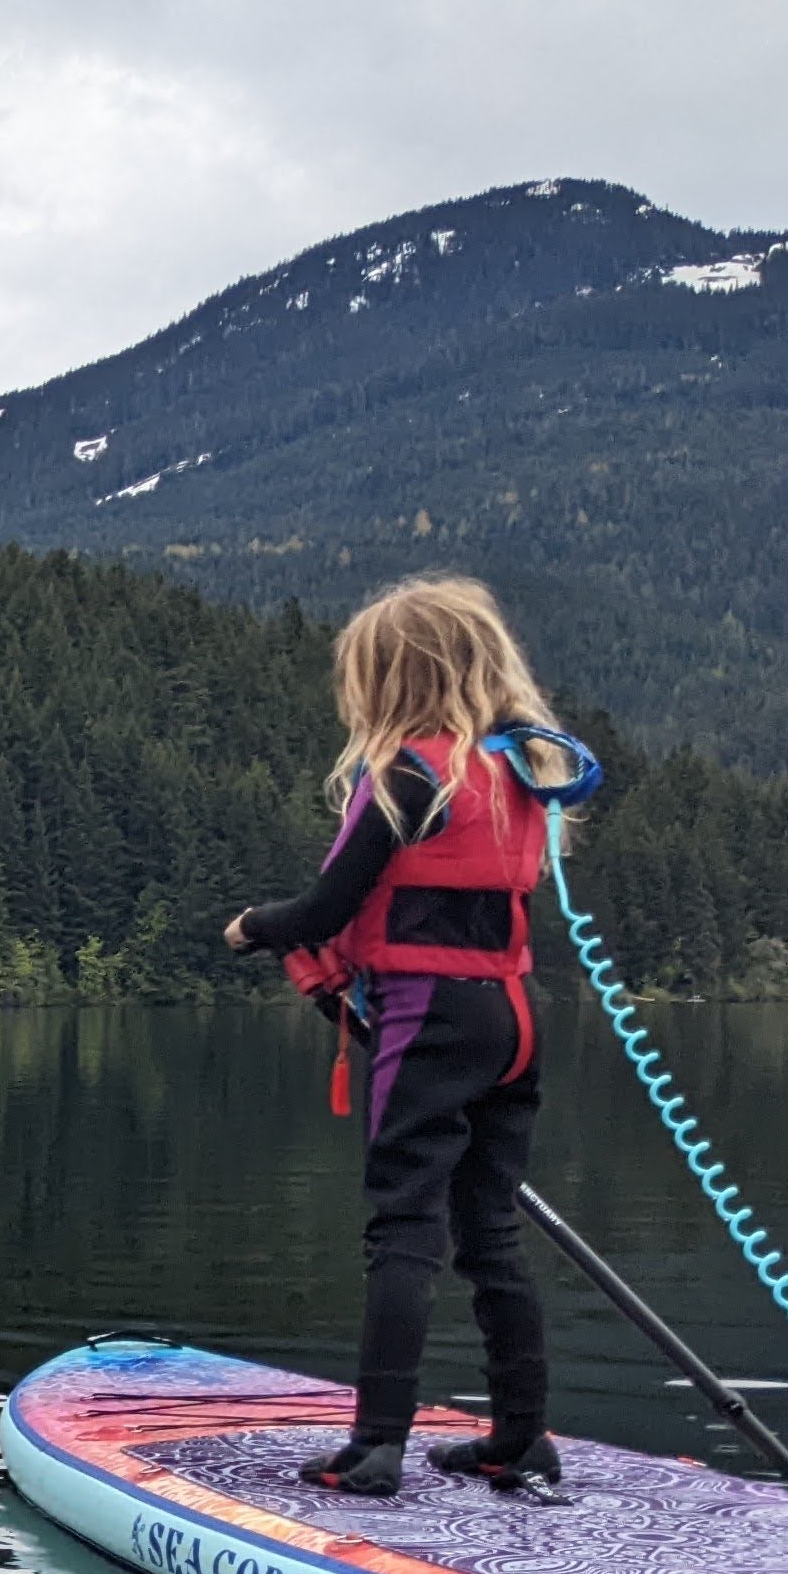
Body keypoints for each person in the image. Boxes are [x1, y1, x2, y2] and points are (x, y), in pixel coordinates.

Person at [226, 576, 586, 1498]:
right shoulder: (522, 775)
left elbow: (328, 907)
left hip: (429, 1020)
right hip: (512, 1021)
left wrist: (253, 926)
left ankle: (375, 1445)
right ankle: (518, 1436)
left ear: (389, 680)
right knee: (489, 1228)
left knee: (403, 1227)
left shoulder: (406, 773)